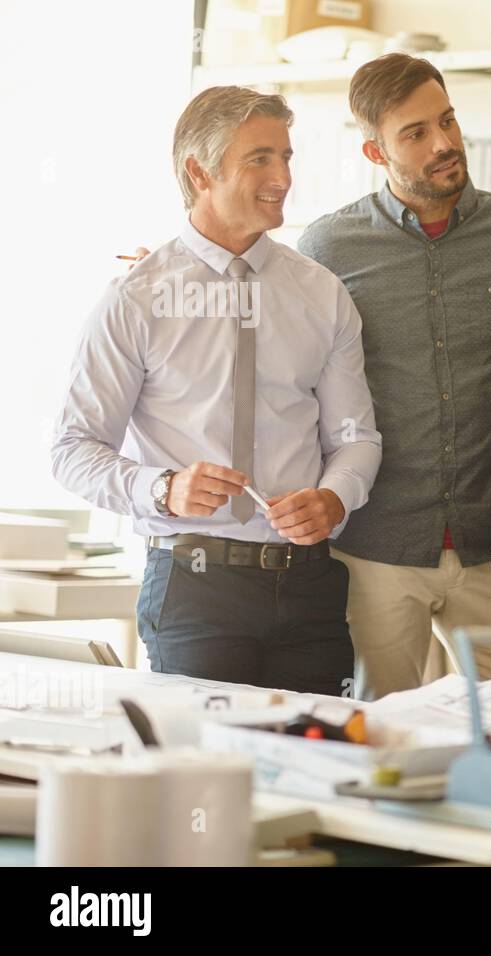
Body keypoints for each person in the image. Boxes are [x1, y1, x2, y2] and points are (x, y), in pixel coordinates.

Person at [50, 86, 381, 694]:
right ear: (198, 172)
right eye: (260, 158)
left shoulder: (323, 293)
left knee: (313, 774)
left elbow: (355, 437)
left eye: (286, 156)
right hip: (195, 587)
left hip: (310, 587)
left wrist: (336, 497)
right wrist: (164, 488)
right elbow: (73, 449)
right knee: (202, 772)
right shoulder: (137, 298)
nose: (282, 176)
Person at [298, 53, 491, 700]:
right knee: (380, 745)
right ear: (373, 150)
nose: (445, 143)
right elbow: (289, 382)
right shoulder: (328, 249)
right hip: (375, 547)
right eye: (415, 133)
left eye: (446, 120)